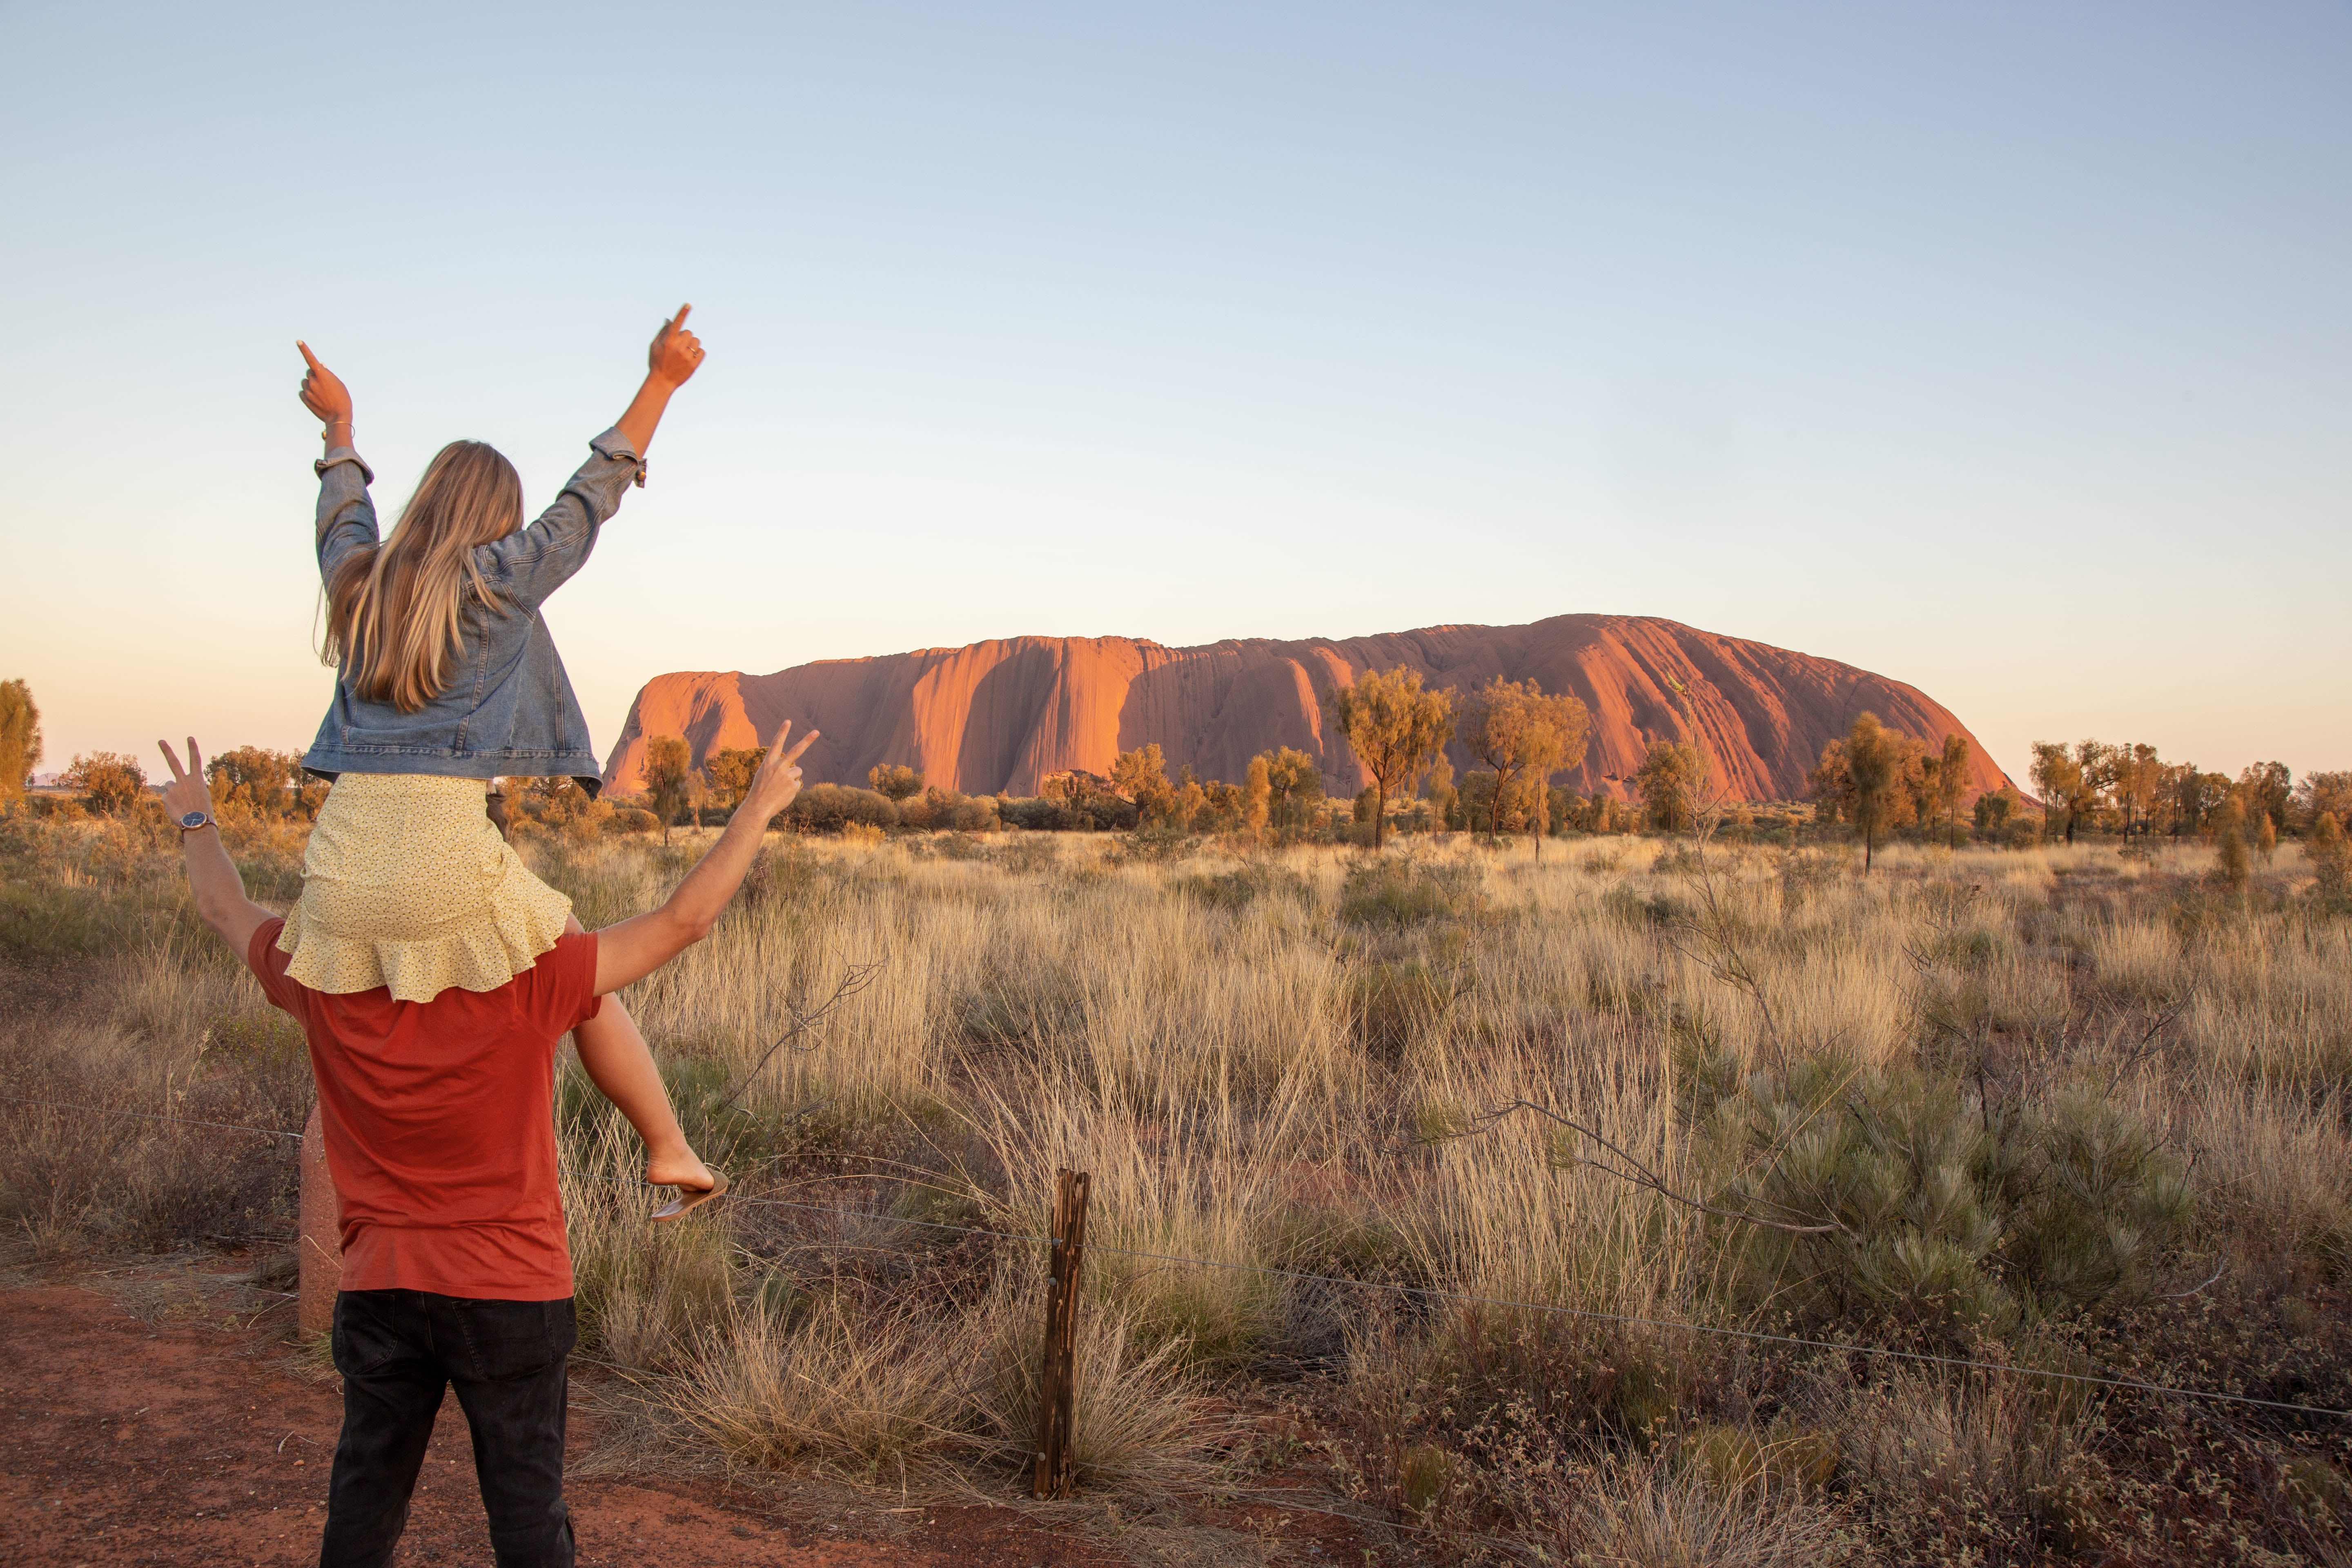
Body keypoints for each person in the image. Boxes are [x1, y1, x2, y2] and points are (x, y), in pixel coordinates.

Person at [157, 719, 816, 1568]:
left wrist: (198, 819)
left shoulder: (313, 978)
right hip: (511, 1289)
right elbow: (684, 922)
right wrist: (757, 810)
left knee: (364, 1503)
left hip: (381, 1286)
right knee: (527, 1514)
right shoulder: (534, 979)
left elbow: (222, 906)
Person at [284, 307, 722, 1208]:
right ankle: (669, 1146)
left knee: (395, 1015)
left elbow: (343, 519)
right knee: (583, 984)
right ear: (496, 519)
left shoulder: (358, 583)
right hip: (442, 851)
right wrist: (662, 382)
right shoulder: (501, 579)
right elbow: (588, 500)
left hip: (337, 864)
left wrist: (339, 429)